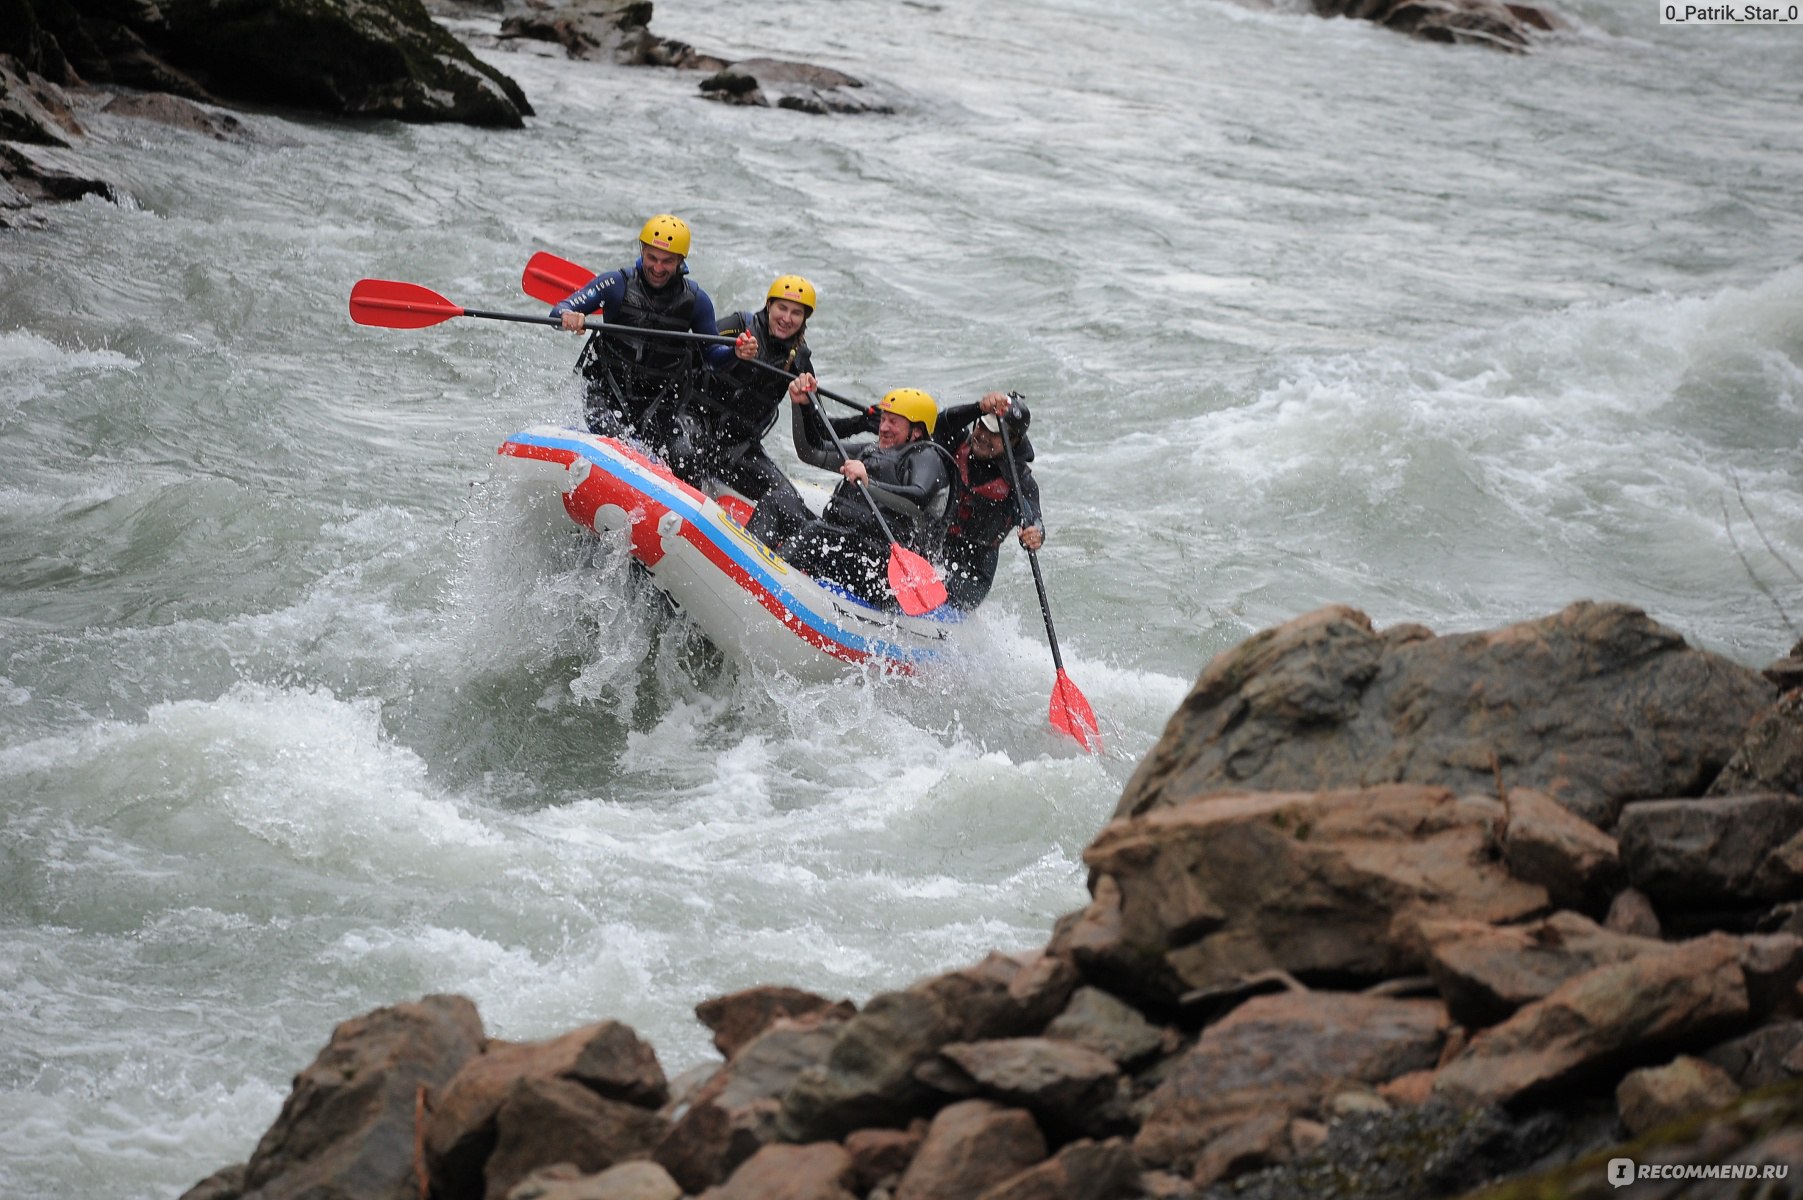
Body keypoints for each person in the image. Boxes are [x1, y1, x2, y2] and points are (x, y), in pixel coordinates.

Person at [748, 377, 952, 607]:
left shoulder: (926, 456)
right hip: (839, 540)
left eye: (893, 422)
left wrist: (869, 484)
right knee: (779, 499)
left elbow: (917, 500)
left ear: (916, 431)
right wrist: (801, 407)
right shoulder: (871, 451)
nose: (883, 427)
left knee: (817, 534)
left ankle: (759, 585)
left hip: (880, 567)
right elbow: (810, 451)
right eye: (883, 419)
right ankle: (744, 560)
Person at [550, 213, 739, 452]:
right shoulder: (615, 284)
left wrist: (737, 352)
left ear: (681, 260)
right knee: (615, 440)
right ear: (642, 250)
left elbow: (712, 357)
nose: (657, 268)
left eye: (667, 261)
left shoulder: (697, 301)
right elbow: (558, 311)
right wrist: (569, 316)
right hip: (605, 392)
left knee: (686, 459)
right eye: (652, 257)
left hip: (658, 403)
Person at [673, 274, 818, 501]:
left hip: (737, 447)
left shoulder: (799, 363)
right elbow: (690, 354)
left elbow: (814, 439)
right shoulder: (739, 326)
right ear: (769, 305)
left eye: (796, 312)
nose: (787, 318)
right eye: (782, 308)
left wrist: (806, 405)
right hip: (693, 420)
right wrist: (733, 353)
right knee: (687, 457)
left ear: (805, 318)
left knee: (786, 499)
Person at [934, 391, 1044, 611]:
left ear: (1012, 441)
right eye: (982, 426)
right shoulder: (957, 444)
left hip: (973, 571)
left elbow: (1033, 519)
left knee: (936, 588)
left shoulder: (1020, 482)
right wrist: (978, 407)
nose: (982, 436)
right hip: (934, 546)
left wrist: (1035, 533)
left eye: (993, 433)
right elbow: (941, 423)